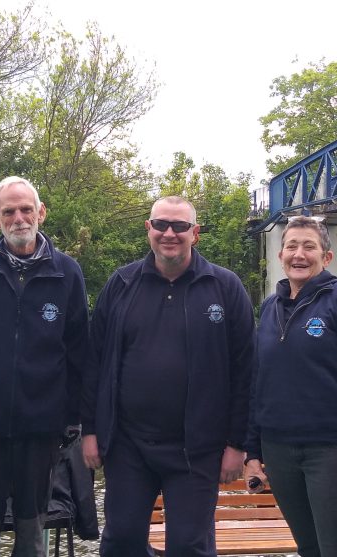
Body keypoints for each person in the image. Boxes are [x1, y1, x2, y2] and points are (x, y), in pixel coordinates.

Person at [82, 196, 255, 557]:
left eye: (179, 226)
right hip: (128, 444)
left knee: (189, 546)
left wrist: (238, 444)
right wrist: (91, 431)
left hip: (198, 447)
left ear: (196, 233)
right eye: (161, 224)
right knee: (120, 542)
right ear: (148, 229)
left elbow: (246, 372)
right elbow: (94, 362)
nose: (169, 233)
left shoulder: (224, 288)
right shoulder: (121, 284)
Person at [0, 176, 93, 557]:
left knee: (31, 530)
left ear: (41, 213)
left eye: (26, 209)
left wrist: (72, 417)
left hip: (41, 426)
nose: (18, 218)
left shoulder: (67, 273)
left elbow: (79, 353)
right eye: (8, 211)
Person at [243, 216, 337, 557]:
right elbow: (257, 384)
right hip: (279, 451)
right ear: (280, 256)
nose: (299, 254)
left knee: (336, 550)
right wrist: (253, 452)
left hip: (330, 451)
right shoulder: (270, 307)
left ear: (327, 258)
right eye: (291, 246)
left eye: (309, 246)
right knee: (308, 549)